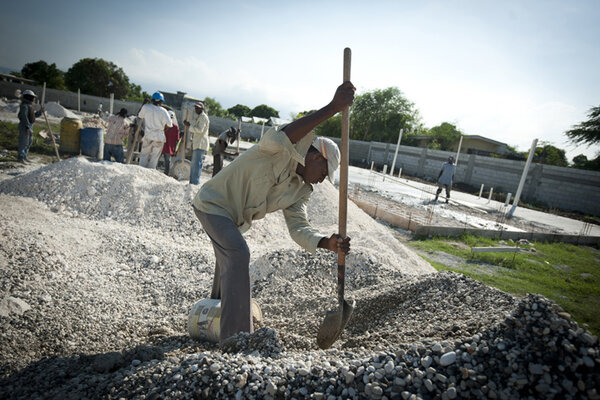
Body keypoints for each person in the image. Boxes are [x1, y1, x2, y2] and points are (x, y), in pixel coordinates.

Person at [192, 81, 355, 343]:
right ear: (315, 157)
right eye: (324, 173)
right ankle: (235, 339)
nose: (322, 180)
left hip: (232, 219)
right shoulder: (277, 147)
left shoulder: (300, 190)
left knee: (228, 260)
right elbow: (290, 131)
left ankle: (213, 316)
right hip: (212, 204)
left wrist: (328, 243)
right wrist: (334, 107)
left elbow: (299, 228)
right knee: (237, 253)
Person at [137, 92, 172, 169]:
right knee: (154, 157)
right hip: (159, 136)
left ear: (152, 100)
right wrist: (163, 128)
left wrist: (144, 104)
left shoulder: (146, 107)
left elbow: (140, 116)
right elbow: (169, 124)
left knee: (144, 155)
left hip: (148, 135)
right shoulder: (164, 111)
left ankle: (141, 170)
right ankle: (151, 171)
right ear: (161, 101)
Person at [185, 102, 210, 184]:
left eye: (198, 108)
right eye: (195, 108)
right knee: (193, 164)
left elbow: (199, 130)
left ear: (202, 109)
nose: (196, 109)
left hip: (201, 144)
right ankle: (192, 182)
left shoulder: (203, 117)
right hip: (197, 143)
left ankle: (195, 183)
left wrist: (189, 126)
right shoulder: (198, 116)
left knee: (196, 164)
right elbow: (192, 122)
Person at [17, 90, 41, 164]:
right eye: (32, 97)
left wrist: (40, 112)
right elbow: (24, 117)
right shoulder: (24, 106)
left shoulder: (30, 106)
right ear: (29, 97)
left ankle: (25, 156)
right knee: (24, 142)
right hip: (25, 126)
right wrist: (27, 127)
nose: (33, 99)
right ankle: (21, 157)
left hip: (30, 125)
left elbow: (33, 116)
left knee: (29, 142)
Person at [162, 110, 180, 175]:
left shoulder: (163, 125)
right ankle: (166, 173)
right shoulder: (175, 127)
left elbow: (177, 139)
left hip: (162, 146)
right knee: (167, 161)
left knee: (157, 159)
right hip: (168, 147)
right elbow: (177, 139)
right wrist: (175, 149)